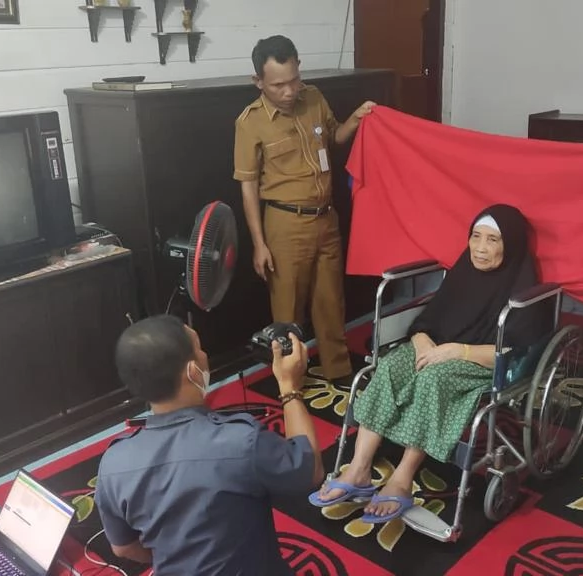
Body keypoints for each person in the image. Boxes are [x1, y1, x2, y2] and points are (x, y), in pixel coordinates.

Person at [309, 204, 550, 522]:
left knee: (432, 378)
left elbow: (511, 351)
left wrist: (457, 351)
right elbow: (431, 319)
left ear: (511, 245)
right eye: (476, 236)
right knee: (390, 366)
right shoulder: (464, 272)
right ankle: (358, 469)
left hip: (480, 362)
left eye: (493, 240)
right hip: (438, 347)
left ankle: (402, 479)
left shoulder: (523, 292)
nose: (480, 248)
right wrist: (421, 338)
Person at [94, 314, 324, 576]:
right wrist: (289, 387)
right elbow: (311, 470)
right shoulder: (241, 440)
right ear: (193, 371)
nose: (205, 355)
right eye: (200, 349)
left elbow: (123, 547)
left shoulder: (113, 463)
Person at [233, 34, 376, 388]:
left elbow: (336, 137)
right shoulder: (250, 122)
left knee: (331, 301)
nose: (289, 91)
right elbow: (248, 186)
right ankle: (289, 379)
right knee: (288, 308)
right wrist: (259, 243)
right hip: (285, 224)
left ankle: (338, 370)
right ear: (258, 81)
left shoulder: (313, 98)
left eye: (294, 80)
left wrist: (357, 118)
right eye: (278, 85)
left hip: (326, 218)